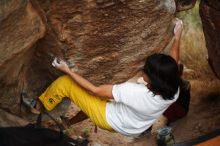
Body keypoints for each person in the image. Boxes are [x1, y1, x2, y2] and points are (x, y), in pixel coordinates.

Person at [22, 18, 183, 137]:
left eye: (145, 71)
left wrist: (68, 70)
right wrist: (177, 36)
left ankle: (37, 107)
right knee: (92, 102)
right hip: (133, 126)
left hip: (109, 119)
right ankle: (67, 124)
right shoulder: (173, 90)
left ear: (153, 79)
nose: (142, 71)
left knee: (66, 83)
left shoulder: (134, 92)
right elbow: (173, 64)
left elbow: (95, 90)